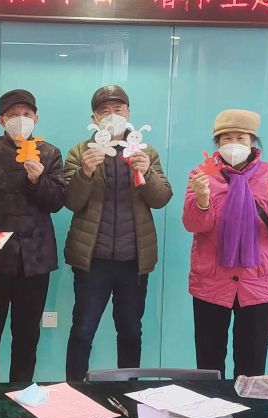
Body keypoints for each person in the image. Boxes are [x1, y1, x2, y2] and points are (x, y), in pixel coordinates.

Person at [183, 110, 268, 378]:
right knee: (209, 363)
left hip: (259, 282)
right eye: (226, 138)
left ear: (252, 141)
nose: (233, 144)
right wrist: (202, 200)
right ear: (217, 143)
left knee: (252, 364)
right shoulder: (202, 175)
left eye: (240, 138)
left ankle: (248, 404)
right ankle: (210, 404)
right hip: (212, 282)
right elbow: (193, 224)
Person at [61, 86, 172, 381]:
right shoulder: (80, 152)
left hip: (133, 260)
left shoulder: (145, 152)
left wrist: (147, 173)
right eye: (104, 111)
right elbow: (70, 201)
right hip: (92, 259)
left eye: (118, 110)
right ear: (94, 119)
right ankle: (75, 391)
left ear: (129, 113)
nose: (112, 116)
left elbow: (161, 199)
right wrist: (85, 172)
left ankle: (128, 391)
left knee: (131, 330)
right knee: (83, 329)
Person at [0, 89, 66, 383]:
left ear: (36, 119)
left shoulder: (50, 154)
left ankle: (21, 395)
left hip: (35, 259)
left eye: (26, 114)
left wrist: (38, 179)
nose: (21, 119)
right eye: (13, 115)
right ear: (1, 120)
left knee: (27, 338)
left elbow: (57, 202)